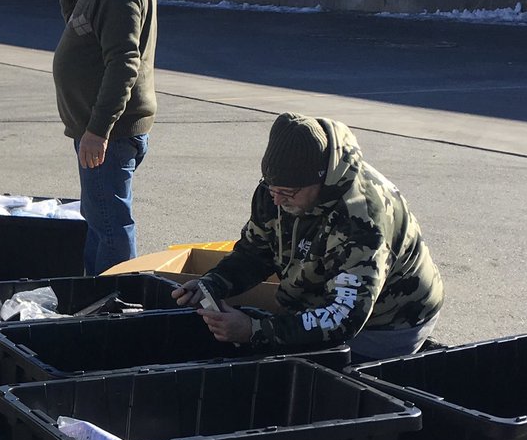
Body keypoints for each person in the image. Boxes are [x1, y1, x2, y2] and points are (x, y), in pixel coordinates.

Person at [173, 112, 444, 361]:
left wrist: (254, 330)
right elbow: (255, 252)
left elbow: (343, 317)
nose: (277, 200)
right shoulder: (278, 189)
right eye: (272, 188)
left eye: (288, 193)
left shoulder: (362, 219)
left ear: (320, 181)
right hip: (321, 298)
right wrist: (213, 283)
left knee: (316, 374)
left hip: (390, 321)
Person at [51, 0, 157, 275]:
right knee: (99, 221)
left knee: (111, 226)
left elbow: (123, 62)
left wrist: (98, 130)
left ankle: (115, 305)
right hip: (101, 130)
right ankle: (95, 298)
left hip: (108, 133)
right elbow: (83, 36)